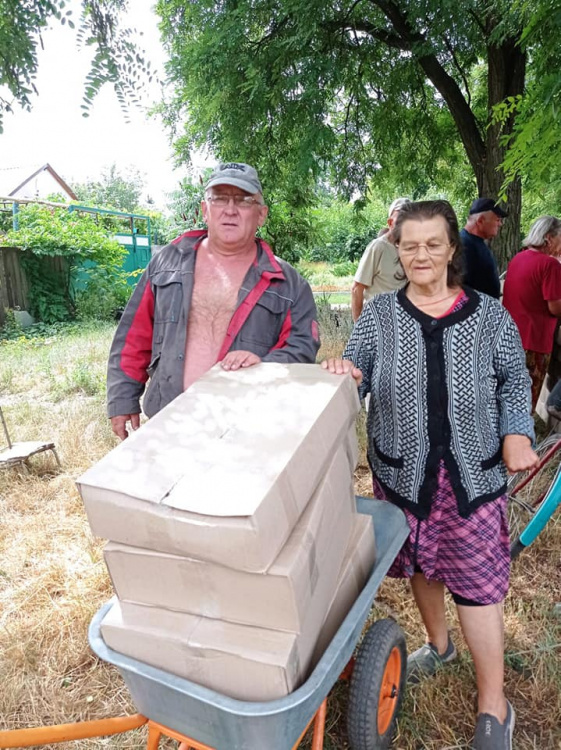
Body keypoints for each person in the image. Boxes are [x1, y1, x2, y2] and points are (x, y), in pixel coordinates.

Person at [322, 200, 539, 750]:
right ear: (397, 249)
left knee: (476, 583)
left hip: (472, 475)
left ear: (451, 249)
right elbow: (357, 373)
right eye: (410, 244)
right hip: (403, 473)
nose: (421, 254)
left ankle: (495, 705)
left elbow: (515, 379)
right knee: (420, 560)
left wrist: (517, 431)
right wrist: (343, 374)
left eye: (433, 243)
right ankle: (439, 646)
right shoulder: (379, 316)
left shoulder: (489, 316)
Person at [107, 162, 320, 439]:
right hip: (168, 420)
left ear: (261, 215)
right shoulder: (166, 262)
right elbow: (133, 334)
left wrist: (264, 363)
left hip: (245, 429)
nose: (230, 209)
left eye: (244, 200)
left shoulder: (288, 282)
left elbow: (302, 347)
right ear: (205, 210)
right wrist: (122, 397)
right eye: (219, 198)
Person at [502, 216, 561, 410]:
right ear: (549, 238)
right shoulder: (550, 265)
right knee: (525, 403)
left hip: (509, 339)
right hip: (534, 342)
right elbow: (555, 307)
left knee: (508, 399)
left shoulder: (519, 257)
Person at [351, 197, 411, 321]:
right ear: (390, 223)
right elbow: (357, 288)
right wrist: (359, 329)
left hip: (402, 324)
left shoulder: (411, 249)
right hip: (378, 322)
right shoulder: (378, 247)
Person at [461, 197, 507, 298]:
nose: (500, 224)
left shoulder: (475, 242)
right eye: (497, 220)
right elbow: (459, 287)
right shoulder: (464, 245)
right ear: (481, 220)